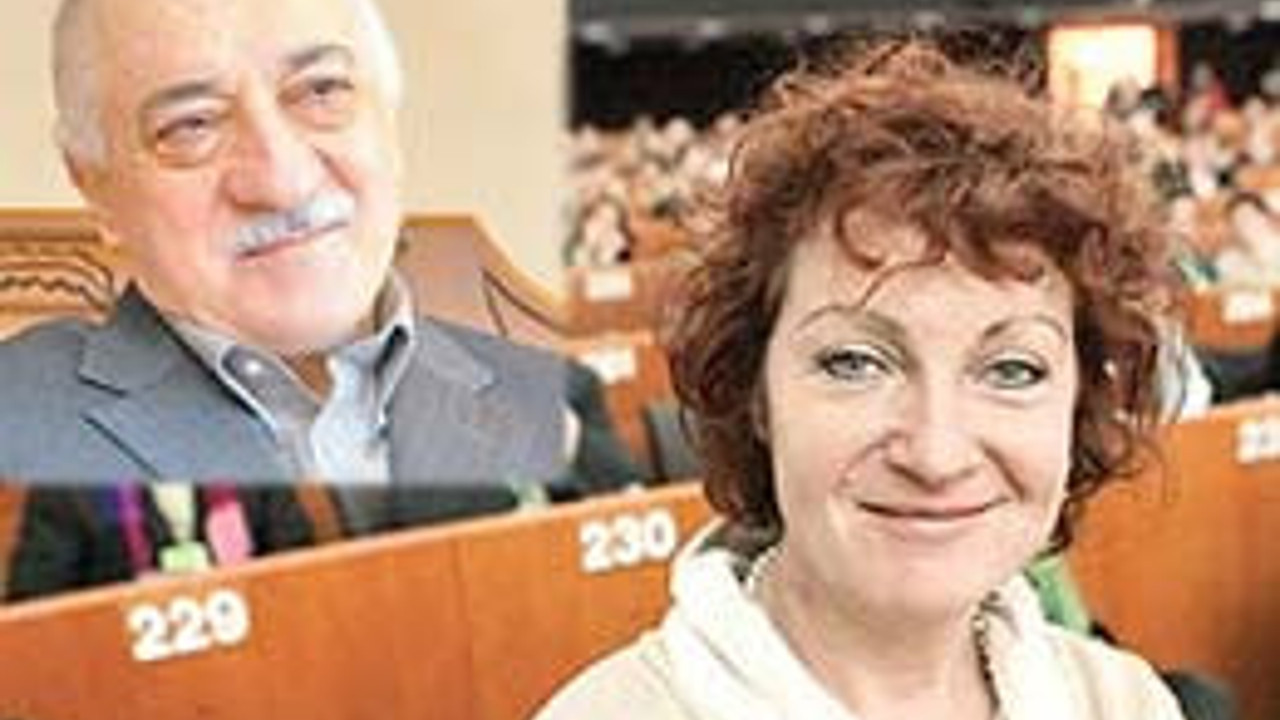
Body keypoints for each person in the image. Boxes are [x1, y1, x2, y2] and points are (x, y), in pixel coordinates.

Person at [537, 40, 1188, 719]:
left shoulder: (1124, 702)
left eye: (1013, 370)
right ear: (755, 392)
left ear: (1079, 403)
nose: (936, 455)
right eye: (855, 363)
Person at [0, 0, 571, 594]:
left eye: (321, 91)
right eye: (192, 125)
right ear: (95, 188)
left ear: (389, 123)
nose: (283, 182)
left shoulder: (552, 399)